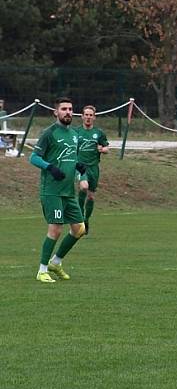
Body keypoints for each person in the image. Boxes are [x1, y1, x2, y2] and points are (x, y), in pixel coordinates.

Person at [29, 97, 88, 283]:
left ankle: (56, 262)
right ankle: (42, 270)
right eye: (64, 109)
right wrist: (50, 168)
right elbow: (33, 157)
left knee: (79, 229)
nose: (68, 112)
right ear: (56, 112)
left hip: (68, 191)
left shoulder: (74, 134)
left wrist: (81, 171)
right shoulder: (49, 133)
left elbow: (73, 157)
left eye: (70, 109)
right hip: (52, 190)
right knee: (55, 229)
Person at [76, 105, 110, 235]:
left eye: (91, 115)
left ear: (94, 117)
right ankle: (80, 220)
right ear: (82, 116)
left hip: (94, 168)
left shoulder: (99, 133)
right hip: (80, 166)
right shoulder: (76, 132)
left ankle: (86, 219)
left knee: (90, 197)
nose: (88, 117)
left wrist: (102, 149)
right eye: (86, 115)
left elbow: (107, 148)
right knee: (83, 187)